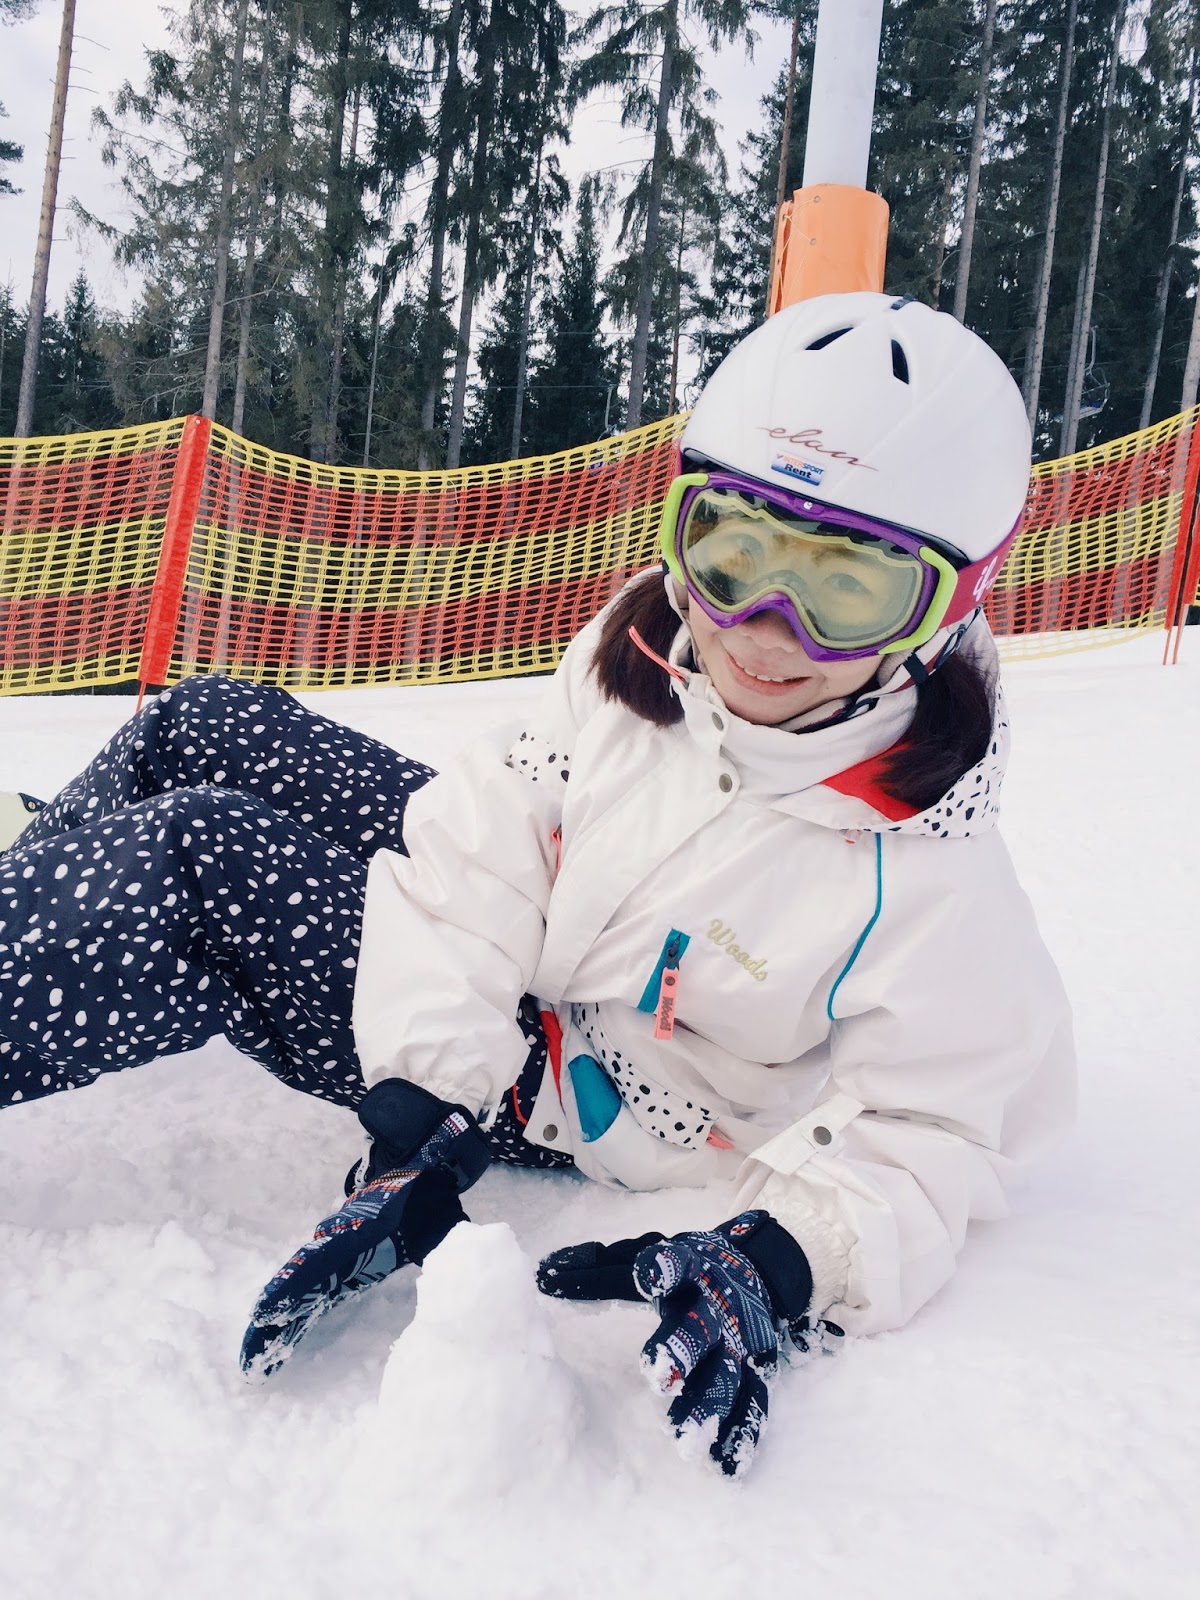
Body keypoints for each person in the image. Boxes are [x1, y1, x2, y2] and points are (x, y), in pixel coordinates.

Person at [0, 292, 1074, 1478]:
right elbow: (488, 840)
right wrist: (425, 1078)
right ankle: (36, 891)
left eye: (847, 589)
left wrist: (776, 1258)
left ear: (954, 600)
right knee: (212, 721)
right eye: (735, 551)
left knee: (193, 862)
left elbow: (938, 1129)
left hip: (577, 1085)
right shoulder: (654, 647)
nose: (766, 629)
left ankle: (89, 896)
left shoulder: (930, 877)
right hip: (519, 981)